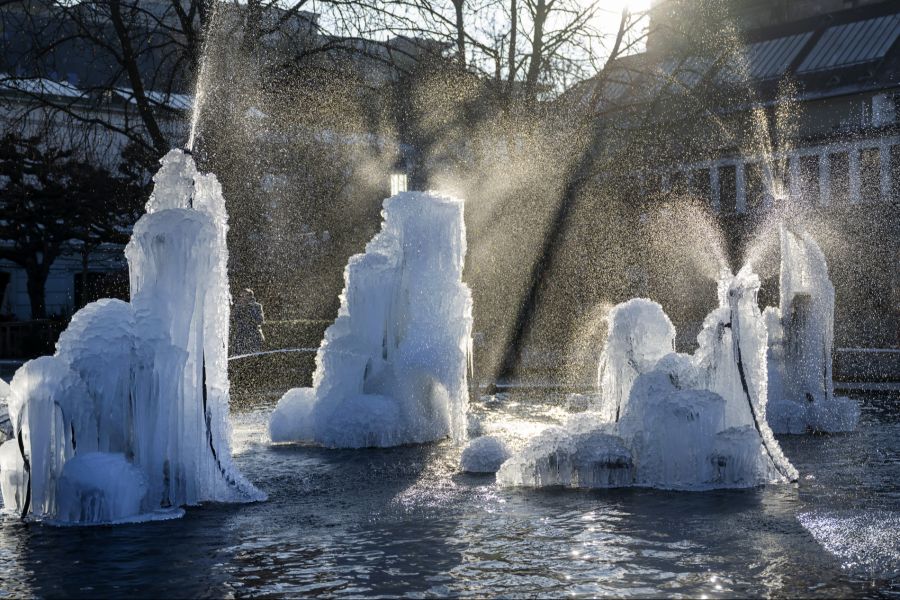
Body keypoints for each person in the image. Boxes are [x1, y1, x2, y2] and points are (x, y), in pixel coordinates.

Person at [230, 288, 265, 356]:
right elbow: (233, 320)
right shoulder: (238, 307)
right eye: (240, 296)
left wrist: (247, 309)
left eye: (243, 296)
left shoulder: (257, 306)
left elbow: (260, 320)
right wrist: (234, 309)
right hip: (240, 338)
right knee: (239, 357)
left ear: (250, 297)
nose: (241, 298)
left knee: (253, 357)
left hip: (254, 337)